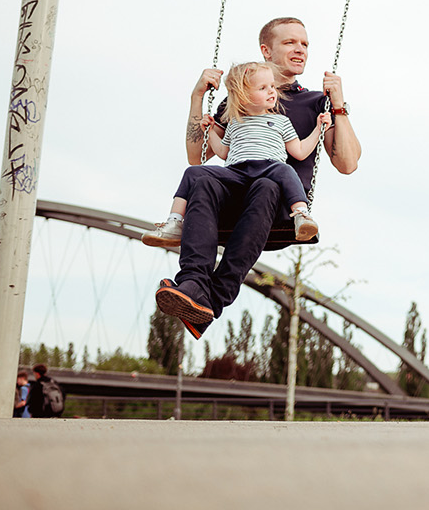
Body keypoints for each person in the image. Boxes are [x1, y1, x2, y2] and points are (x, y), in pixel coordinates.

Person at [152, 17, 361, 340]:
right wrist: (197, 99)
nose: (300, 50)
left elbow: (347, 163)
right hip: (233, 194)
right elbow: (198, 158)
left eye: (305, 44)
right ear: (266, 50)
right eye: (290, 42)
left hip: (278, 206)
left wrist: (338, 105)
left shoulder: (314, 101)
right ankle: (194, 285)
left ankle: (214, 296)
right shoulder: (238, 100)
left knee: (267, 184)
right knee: (204, 179)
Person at [143, 61, 328, 248]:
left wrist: (318, 128)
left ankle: (301, 216)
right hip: (237, 172)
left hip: (269, 169)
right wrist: (211, 131)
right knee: (193, 172)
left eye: (272, 86)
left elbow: (300, 151)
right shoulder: (234, 122)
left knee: (286, 170)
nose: (272, 91)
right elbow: (224, 152)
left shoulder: (281, 121)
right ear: (243, 96)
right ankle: (174, 222)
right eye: (263, 88)